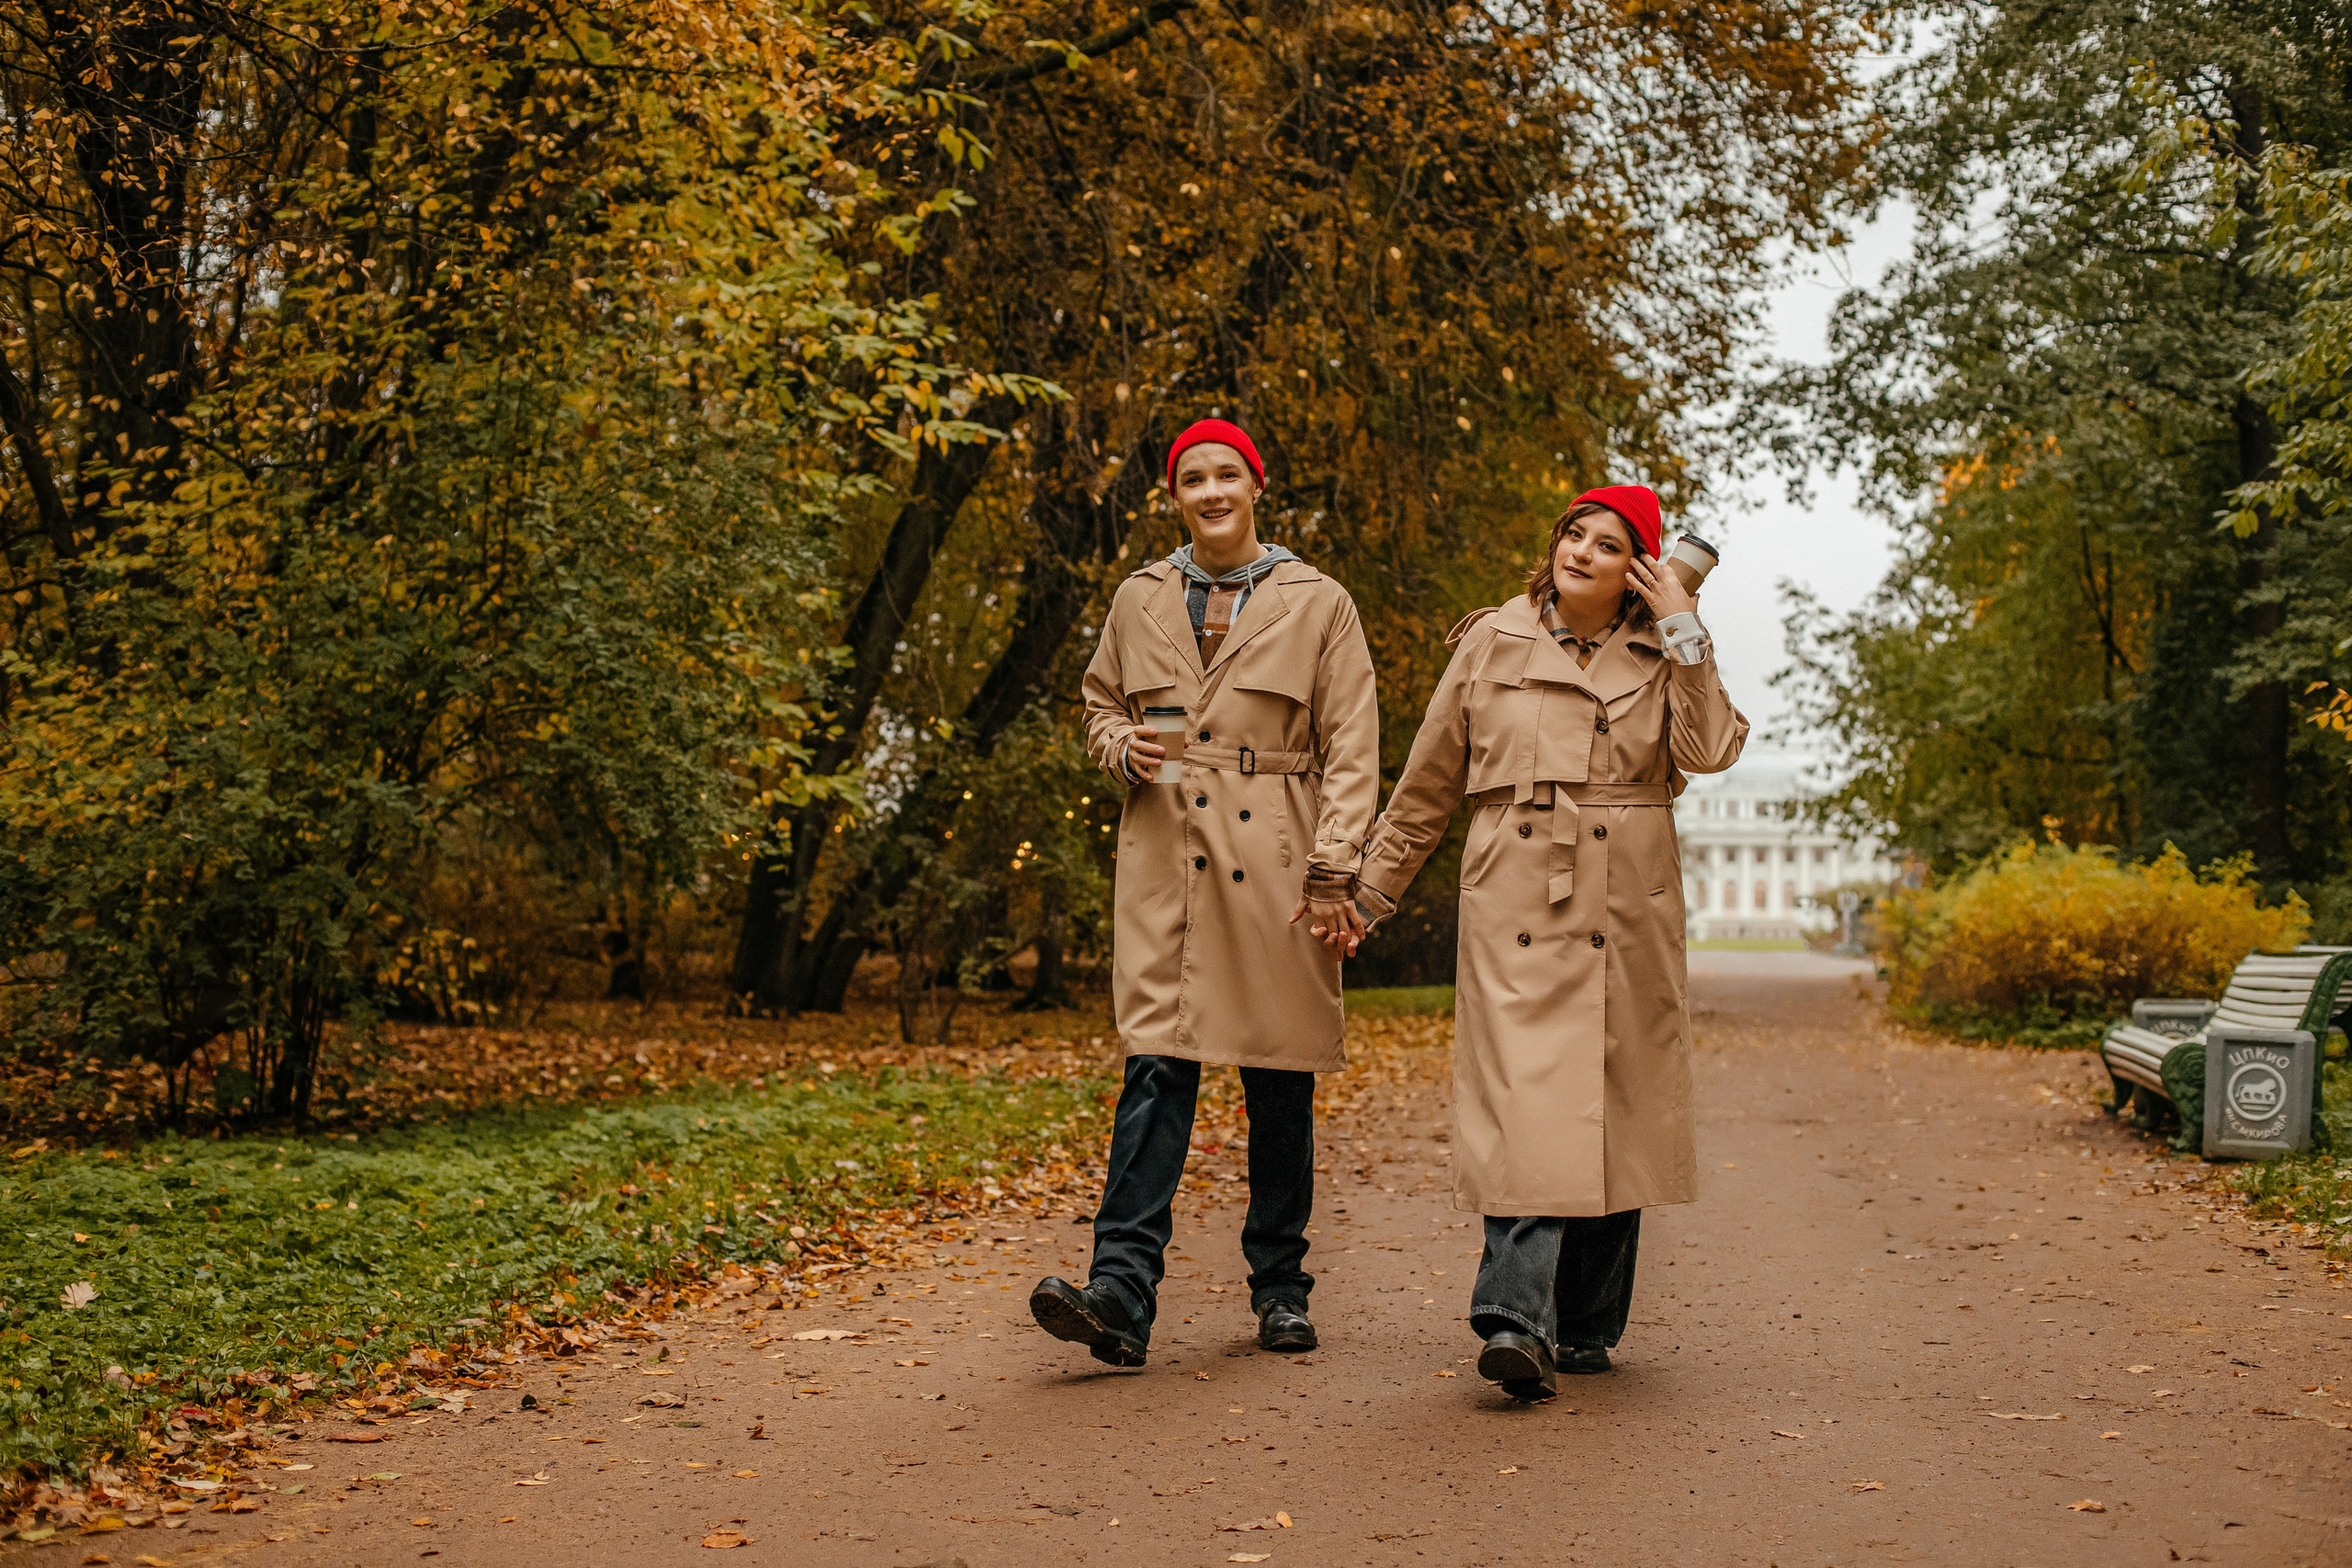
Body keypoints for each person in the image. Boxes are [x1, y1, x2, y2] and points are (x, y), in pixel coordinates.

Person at [1341, 485, 1746, 1399]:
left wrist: (1684, 628)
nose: (1583, 552)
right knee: (1528, 1098)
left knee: (1616, 1099)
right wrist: (1369, 893)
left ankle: (1589, 1324)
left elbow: (1712, 748)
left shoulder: (1663, 650)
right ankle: (1514, 1319)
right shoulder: (1492, 639)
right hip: (1517, 892)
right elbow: (1429, 780)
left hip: (1628, 900)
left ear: (1638, 571)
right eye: (1575, 533)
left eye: (1610, 545)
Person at [1028, 419, 1379, 1368]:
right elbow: (1101, 702)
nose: (1212, 489)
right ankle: (1118, 1294)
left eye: (1227, 473)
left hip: (1277, 855)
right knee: (1156, 1068)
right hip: (1164, 853)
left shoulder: (1319, 601)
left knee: (1278, 1076)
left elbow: (1353, 743)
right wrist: (1117, 747)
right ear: (1174, 495)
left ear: (1256, 485)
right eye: (1193, 478)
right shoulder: (1139, 596)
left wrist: (1334, 865)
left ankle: (1280, 1289)